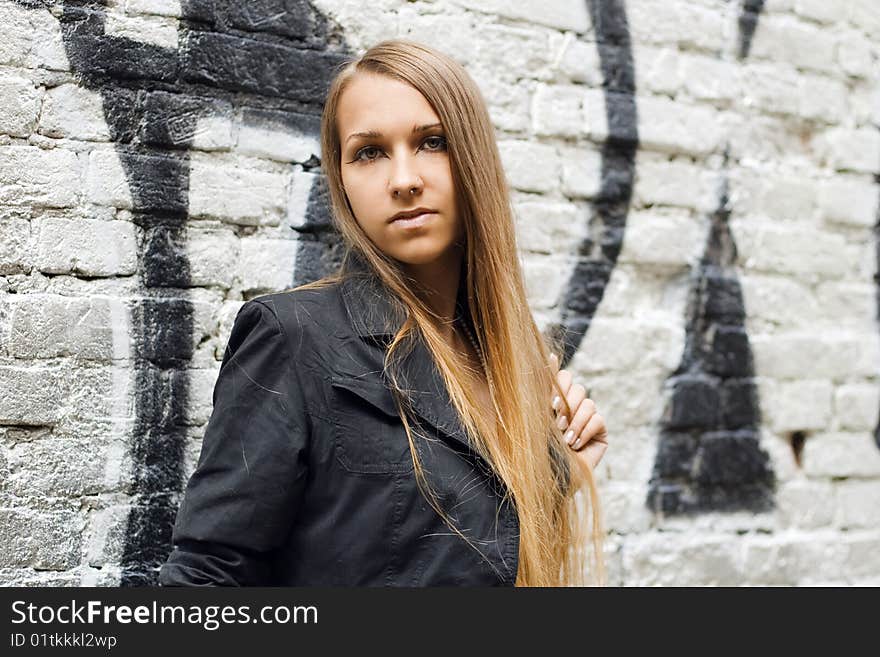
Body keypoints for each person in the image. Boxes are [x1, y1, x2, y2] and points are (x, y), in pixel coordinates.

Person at [158, 39, 608, 587]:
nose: (403, 180)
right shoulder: (293, 338)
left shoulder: (517, 364)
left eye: (432, 142)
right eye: (369, 152)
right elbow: (206, 580)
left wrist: (562, 466)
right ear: (342, 179)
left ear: (474, 158)